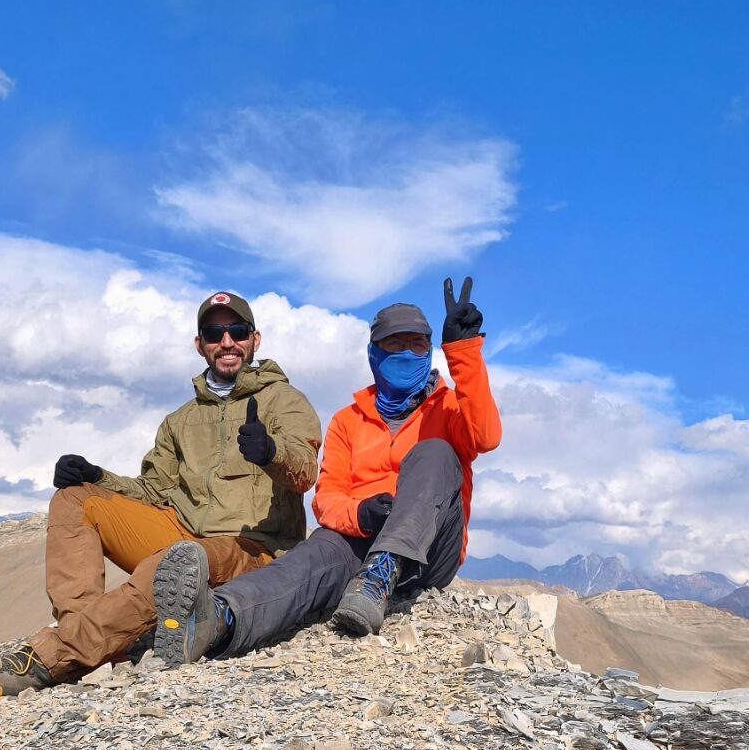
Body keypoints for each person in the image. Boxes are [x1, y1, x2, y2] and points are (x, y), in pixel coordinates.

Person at [0, 290, 322, 697]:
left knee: (177, 560)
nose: (227, 342)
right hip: (183, 533)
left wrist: (271, 453)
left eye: (237, 331)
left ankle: (50, 657)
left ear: (255, 339)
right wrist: (97, 475)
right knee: (76, 499)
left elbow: (305, 471)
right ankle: (90, 644)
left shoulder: (284, 401)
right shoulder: (179, 421)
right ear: (199, 344)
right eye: (214, 334)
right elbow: (153, 490)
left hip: (253, 547)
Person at [151, 276, 501, 663]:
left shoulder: (449, 408)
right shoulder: (347, 421)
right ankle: (217, 620)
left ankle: (383, 569)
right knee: (308, 559)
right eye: (394, 344)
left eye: (416, 344)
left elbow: (485, 437)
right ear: (374, 353)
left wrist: (464, 352)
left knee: (435, 451)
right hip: (360, 543)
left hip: (430, 551)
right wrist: (360, 514)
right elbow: (327, 499)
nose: (405, 352)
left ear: (429, 351)